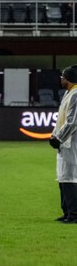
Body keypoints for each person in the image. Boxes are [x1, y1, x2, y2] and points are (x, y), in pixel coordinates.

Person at [49, 65, 77, 224]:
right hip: (63, 142)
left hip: (71, 143)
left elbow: (72, 122)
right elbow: (62, 118)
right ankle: (66, 212)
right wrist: (55, 135)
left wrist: (58, 138)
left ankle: (74, 214)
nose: (61, 79)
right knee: (63, 177)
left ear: (69, 79)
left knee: (71, 178)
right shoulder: (69, 93)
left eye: (63, 76)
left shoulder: (75, 95)